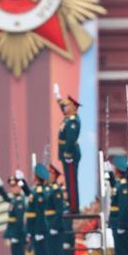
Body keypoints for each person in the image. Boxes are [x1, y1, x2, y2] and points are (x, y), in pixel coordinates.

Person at [54, 84, 82, 214]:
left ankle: (74, 208)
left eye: (67, 106)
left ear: (73, 107)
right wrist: (58, 97)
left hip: (70, 154)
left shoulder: (73, 121)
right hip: (66, 154)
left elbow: (71, 139)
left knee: (71, 182)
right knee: (69, 181)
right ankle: (71, 205)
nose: (64, 107)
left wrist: (68, 154)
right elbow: (62, 107)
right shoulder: (68, 118)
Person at [25, 163, 53, 255]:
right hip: (35, 229)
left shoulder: (40, 192)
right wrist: (23, 183)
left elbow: (40, 213)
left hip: (39, 229)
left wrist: (39, 231)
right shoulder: (36, 190)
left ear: (36, 176)